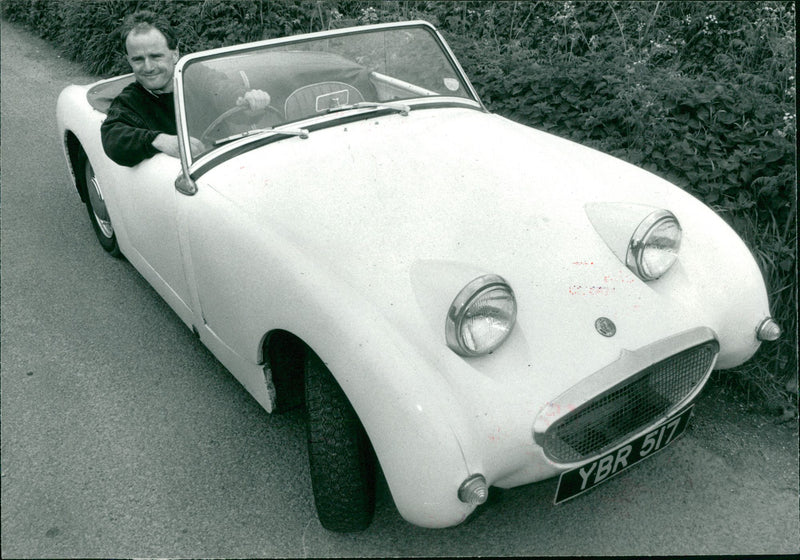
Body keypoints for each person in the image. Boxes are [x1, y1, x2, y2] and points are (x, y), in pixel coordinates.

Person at [101, 10, 271, 167]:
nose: (148, 67)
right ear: (129, 61)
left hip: (224, 164)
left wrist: (248, 98)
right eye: (138, 59)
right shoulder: (129, 100)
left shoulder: (195, 75)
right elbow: (112, 138)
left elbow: (222, 87)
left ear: (175, 53)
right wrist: (159, 140)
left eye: (156, 56)